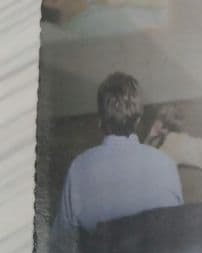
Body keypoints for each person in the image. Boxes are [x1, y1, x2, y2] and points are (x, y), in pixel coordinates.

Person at [53, 73, 183, 232]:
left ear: (100, 121)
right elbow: (177, 229)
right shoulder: (167, 164)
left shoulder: (78, 168)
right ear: (138, 120)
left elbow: (61, 239)